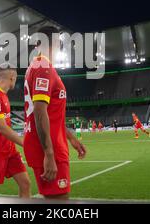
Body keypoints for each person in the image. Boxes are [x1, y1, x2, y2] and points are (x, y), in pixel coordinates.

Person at [23, 26, 87, 200]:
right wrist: (49, 154)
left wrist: (70, 136)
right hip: (48, 148)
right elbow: (39, 110)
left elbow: (49, 114)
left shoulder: (37, 66)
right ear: (56, 43)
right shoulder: (43, 67)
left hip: (49, 143)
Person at [0, 63, 31, 198]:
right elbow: (2, 128)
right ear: (12, 76)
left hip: (9, 149)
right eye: (15, 77)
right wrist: (25, 144)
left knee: (25, 183)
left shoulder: (3, 96)